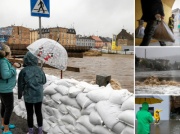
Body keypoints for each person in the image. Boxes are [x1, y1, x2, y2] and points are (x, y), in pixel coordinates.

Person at [18, 51, 46, 134]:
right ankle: (40, 131)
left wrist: (20, 95)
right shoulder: (40, 70)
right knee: (39, 112)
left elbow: (20, 84)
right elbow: (44, 81)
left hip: (28, 96)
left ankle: (31, 131)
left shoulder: (23, 71)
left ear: (26, 59)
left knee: (30, 113)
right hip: (38, 95)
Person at [0, 43, 18, 134]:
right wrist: (13, 68)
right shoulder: (3, 61)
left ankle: (3, 124)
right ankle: (6, 129)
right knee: (9, 107)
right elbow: (5, 75)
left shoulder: (3, 60)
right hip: (5, 89)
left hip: (3, 87)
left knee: (4, 106)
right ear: (7, 52)